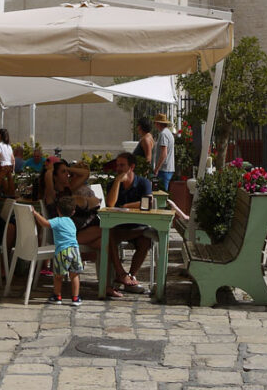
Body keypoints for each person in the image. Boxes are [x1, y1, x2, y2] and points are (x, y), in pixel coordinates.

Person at [104, 151, 152, 297]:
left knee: (146, 240)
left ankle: (131, 275)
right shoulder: (113, 184)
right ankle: (121, 273)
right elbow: (110, 203)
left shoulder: (143, 182)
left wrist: (126, 205)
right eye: (117, 165)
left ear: (131, 167)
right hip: (118, 228)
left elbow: (147, 202)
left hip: (137, 227)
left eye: (122, 165)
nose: (118, 168)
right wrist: (118, 182)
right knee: (108, 235)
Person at [43, 158, 103, 255]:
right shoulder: (52, 195)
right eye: (63, 172)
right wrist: (50, 170)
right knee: (108, 233)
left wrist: (67, 168)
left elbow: (85, 173)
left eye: (68, 172)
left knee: (105, 243)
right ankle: (118, 269)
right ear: (55, 177)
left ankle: (114, 269)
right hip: (66, 235)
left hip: (77, 231)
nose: (68, 174)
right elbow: (48, 178)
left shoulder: (68, 190)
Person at [33, 196, 82, 306]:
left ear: (58, 210)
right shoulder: (71, 222)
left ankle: (57, 296)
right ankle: (75, 298)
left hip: (62, 251)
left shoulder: (58, 221)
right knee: (74, 275)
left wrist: (36, 214)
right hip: (75, 250)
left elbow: (45, 224)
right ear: (73, 212)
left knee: (58, 276)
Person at [151, 113, 175, 192]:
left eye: (155, 123)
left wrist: (157, 169)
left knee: (162, 194)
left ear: (158, 123)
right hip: (168, 168)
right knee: (163, 192)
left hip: (164, 169)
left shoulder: (163, 134)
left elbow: (164, 153)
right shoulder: (168, 133)